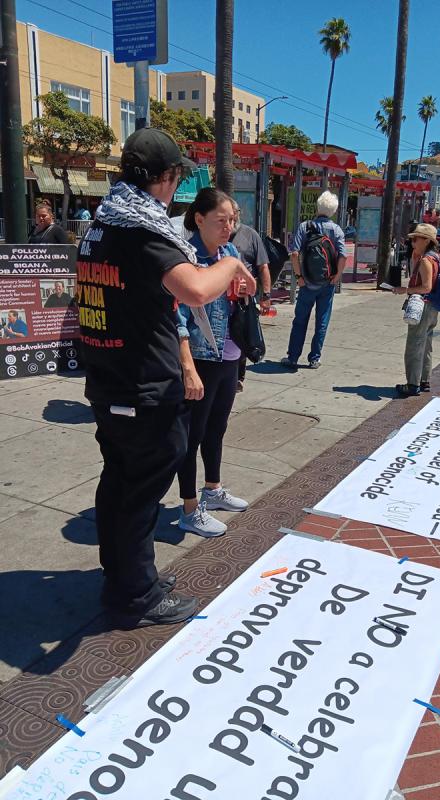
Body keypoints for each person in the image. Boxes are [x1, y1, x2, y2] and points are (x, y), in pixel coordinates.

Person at [76, 128, 256, 627]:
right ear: (166, 178)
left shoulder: (102, 224)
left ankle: (128, 575)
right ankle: (136, 597)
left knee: (120, 481)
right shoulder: (142, 232)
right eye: (176, 178)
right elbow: (196, 289)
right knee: (141, 488)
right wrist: (234, 262)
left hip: (109, 377)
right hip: (141, 384)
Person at [176, 189, 250, 538]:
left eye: (233, 220)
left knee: (217, 428)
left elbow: (242, 296)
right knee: (192, 436)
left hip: (230, 354)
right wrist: (187, 366)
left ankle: (213, 489)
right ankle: (190, 508)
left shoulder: (229, 252)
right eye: (222, 220)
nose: (229, 227)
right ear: (199, 218)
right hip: (203, 357)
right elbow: (175, 316)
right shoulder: (185, 258)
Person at [281, 191, 346, 370]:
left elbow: (294, 254)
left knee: (300, 320)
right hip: (327, 284)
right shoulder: (337, 230)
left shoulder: (305, 226)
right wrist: (337, 276)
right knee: (322, 321)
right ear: (333, 210)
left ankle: (293, 357)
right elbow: (342, 257)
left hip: (307, 282)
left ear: (318, 207)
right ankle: (314, 358)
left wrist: (299, 277)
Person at [393, 223, 440, 398]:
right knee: (426, 344)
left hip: (423, 306)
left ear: (427, 241)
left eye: (416, 238)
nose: (413, 241)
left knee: (414, 345)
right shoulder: (433, 257)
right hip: (432, 306)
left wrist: (405, 290)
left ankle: (412, 384)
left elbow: (426, 287)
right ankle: (424, 380)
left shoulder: (426, 261)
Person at [229, 201, 271, 391]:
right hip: (222, 295)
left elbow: (263, 267)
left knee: (244, 333)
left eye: (235, 213)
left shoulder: (250, 235)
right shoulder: (216, 236)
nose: (233, 218)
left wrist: (266, 295)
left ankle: (239, 375)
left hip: (245, 297)